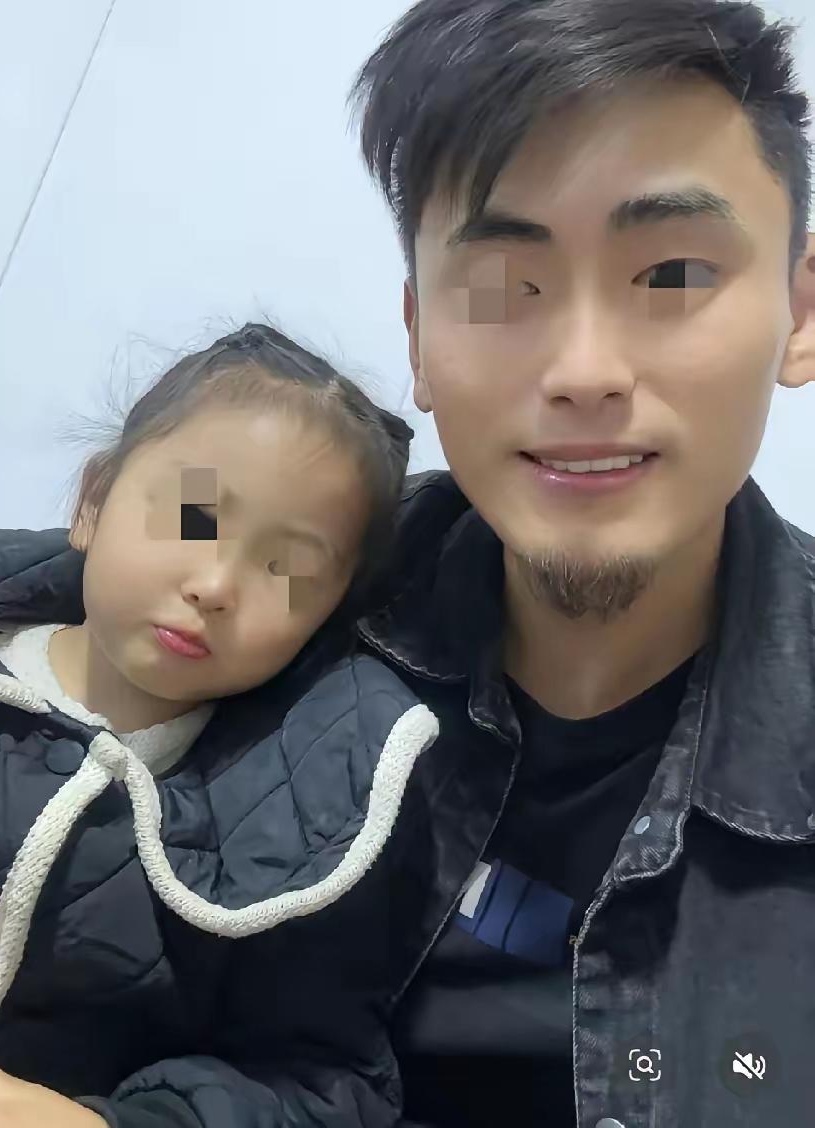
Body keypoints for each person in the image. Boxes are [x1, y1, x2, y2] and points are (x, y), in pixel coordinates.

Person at [343, 0, 815, 1125]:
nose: (584, 371)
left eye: (673, 275)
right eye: (505, 288)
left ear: (800, 316)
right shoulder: (295, 585)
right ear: (416, 336)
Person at [0, 324, 440, 1127]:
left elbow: (321, 1080)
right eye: (195, 515)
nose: (216, 584)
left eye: (288, 568)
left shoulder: (308, 827)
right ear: (93, 501)